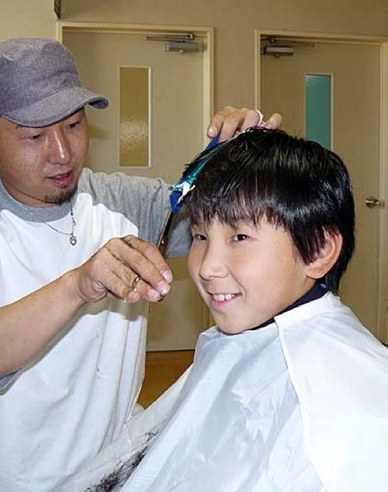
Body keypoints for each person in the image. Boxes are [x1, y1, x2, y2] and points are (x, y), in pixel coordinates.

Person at [0, 37, 281, 491]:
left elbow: (241, 226)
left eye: (73, 125)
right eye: (33, 136)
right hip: (8, 481)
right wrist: (77, 286)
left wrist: (252, 157)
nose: (62, 153)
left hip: (116, 468)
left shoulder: (126, 204)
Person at [59, 128, 388, 492]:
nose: (206, 267)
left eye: (240, 237)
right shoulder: (240, 338)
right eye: (200, 236)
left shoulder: (353, 407)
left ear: (318, 250)